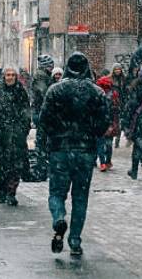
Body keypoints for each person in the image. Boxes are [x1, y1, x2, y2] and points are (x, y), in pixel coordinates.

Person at [39, 52, 110, 257]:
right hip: (85, 151)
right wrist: (91, 134)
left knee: (56, 193)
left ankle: (59, 218)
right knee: (80, 197)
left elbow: (44, 120)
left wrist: (53, 137)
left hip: (60, 149)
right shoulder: (96, 92)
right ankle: (75, 240)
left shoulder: (55, 90)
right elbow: (104, 121)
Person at [0, 67, 31, 206]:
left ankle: (11, 192)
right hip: (0, 134)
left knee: (15, 165)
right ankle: (2, 191)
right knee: (1, 165)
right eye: (7, 75)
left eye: (12, 75)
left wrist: (23, 129)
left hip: (16, 135)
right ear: (3, 76)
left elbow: (26, 111)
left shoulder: (20, 91)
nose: (10, 77)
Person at [95, 76, 120, 171]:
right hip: (109, 122)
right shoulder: (113, 94)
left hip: (101, 122)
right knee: (108, 144)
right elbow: (117, 109)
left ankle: (103, 162)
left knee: (101, 144)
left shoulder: (97, 93)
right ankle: (107, 161)